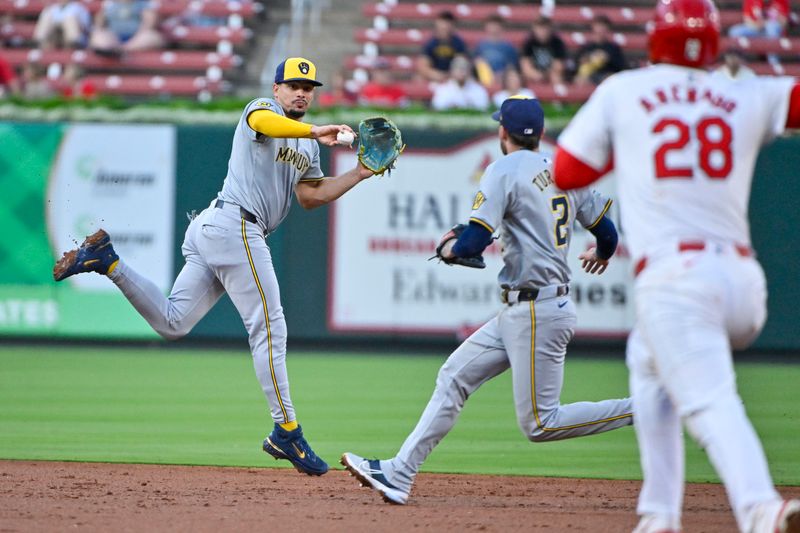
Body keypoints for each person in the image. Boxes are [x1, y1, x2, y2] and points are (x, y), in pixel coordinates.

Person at [52, 57, 377, 477]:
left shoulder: (309, 145)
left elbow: (311, 196)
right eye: (293, 84)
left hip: (219, 229)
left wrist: (360, 173)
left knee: (174, 323)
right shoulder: (262, 110)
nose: (301, 92)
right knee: (270, 327)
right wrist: (316, 129)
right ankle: (287, 431)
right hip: (235, 225)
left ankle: (107, 261)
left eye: (308, 87)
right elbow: (268, 124)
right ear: (276, 88)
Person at [553, 0, 800, 531]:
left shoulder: (625, 90)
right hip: (742, 282)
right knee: (646, 362)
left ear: (655, 37)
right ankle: (658, 514)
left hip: (675, 282)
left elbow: (568, 172)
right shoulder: (745, 90)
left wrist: (629, 145)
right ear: (712, 42)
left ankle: (761, 508)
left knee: (708, 401)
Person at [342, 96, 633, 506]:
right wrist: (602, 255)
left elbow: (473, 242)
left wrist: (450, 250)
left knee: (540, 423)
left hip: (536, 311)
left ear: (503, 132)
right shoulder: (566, 168)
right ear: (541, 135)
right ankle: (399, 474)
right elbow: (608, 235)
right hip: (526, 309)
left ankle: (647, 405)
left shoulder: (502, 170)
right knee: (453, 377)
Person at [89, 0, 164, 55]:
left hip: (137, 38)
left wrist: (135, 38)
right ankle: (116, 50)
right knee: (98, 37)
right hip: (114, 38)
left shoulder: (143, 3)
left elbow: (150, 22)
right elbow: (99, 24)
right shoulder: (110, 4)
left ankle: (123, 50)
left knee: (150, 37)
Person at [728, 0, 789, 66]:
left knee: (771, 26)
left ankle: (774, 63)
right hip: (756, 30)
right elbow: (747, 20)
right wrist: (757, 25)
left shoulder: (781, 1)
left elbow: (784, 22)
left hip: (773, 33)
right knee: (735, 31)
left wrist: (767, 22)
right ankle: (742, 64)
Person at [573, 16, 626, 86]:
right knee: (580, 80)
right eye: (598, 26)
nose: (600, 30)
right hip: (589, 76)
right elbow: (577, 64)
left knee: (610, 79)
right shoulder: (586, 47)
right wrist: (586, 59)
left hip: (606, 75)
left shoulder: (613, 48)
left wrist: (607, 59)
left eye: (603, 27)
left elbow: (620, 66)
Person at [417, 11, 468, 83]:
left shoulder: (458, 43)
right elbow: (423, 66)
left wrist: (451, 75)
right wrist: (436, 75)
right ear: (437, 23)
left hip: (453, 78)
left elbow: (461, 63)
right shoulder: (430, 43)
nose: (445, 26)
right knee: (419, 78)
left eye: (448, 23)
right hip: (434, 77)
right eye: (443, 22)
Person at [473, 15, 519, 86]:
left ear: (501, 27)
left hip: (502, 80)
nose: (493, 28)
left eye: (495, 25)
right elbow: (476, 62)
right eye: (491, 25)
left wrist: (502, 75)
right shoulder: (480, 46)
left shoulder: (508, 46)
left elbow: (512, 66)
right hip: (484, 80)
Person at [520, 16, 568, 85]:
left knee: (556, 77)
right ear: (534, 28)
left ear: (550, 28)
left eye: (544, 28)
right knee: (522, 78)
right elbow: (525, 66)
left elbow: (558, 66)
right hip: (534, 73)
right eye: (539, 28)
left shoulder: (557, 42)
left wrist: (545, 75)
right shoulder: (529, 42)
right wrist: (536, 75)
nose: (542, 31)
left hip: (551, 74)